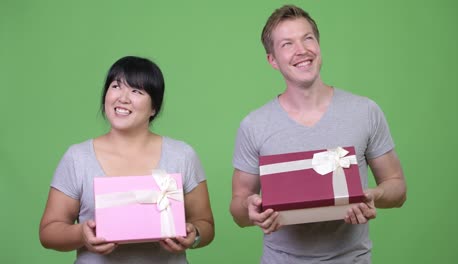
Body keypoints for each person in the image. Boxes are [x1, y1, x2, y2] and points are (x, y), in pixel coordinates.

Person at [230, 5, 406, 264]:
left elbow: (397, 187)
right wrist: (251, 210)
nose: (302, 50)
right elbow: (238, 207)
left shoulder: (365, 111)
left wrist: (374, 195)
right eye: (287, 44)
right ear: (272, 60)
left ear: (319, 46)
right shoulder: (254, 125)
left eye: (308, 38)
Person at [40, 56, 214, 263]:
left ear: (154, 108)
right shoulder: (77, 158)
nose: (123, 98)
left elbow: (206, 225)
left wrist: (194, 234)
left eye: (136, 91)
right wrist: (82, 235)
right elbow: (49, 232)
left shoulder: (182, 155)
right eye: (116, 86)